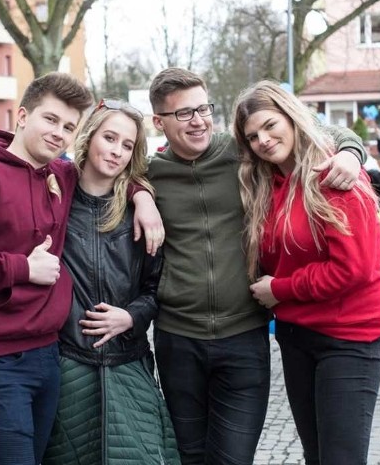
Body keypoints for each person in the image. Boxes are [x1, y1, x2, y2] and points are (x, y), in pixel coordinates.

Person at [0, 73, 162, 465]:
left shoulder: (59, 175)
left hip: (47, 356)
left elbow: (107, 172)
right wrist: (21, 268)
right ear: (21, 116)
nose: (59, 133)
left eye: (69, 126)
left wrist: (143, 197)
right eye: (50, 120)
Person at [146, 68, 365, 465]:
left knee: (232, 458)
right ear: (159, 122)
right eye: (183, 114)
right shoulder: (149, 174)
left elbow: (317, 131)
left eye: (203, 108)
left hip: (243, 334)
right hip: (178, 338)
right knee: (189, 456)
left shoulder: (243, 152)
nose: (198, 120)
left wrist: (351, 152)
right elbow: (107, 174)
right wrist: (140, 194)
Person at [233, 81, 380, 465]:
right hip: (297, 336)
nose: (264, 140)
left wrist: (280, 290)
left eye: (270, 125)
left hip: (349, 336)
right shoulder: (264, 185)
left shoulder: (333, 174)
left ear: (292, 116)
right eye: (253, 136)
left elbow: (352, 269)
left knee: (341, 457)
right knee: (316, 454)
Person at [43, 100, 179, 464]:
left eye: (127, 145)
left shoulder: (140, 213)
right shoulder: (54, 200)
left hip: (128, 362)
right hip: (67, 363)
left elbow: (156, 288)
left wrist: (131, 316)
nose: (117, 151)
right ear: (89, 137)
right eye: (110, 137)